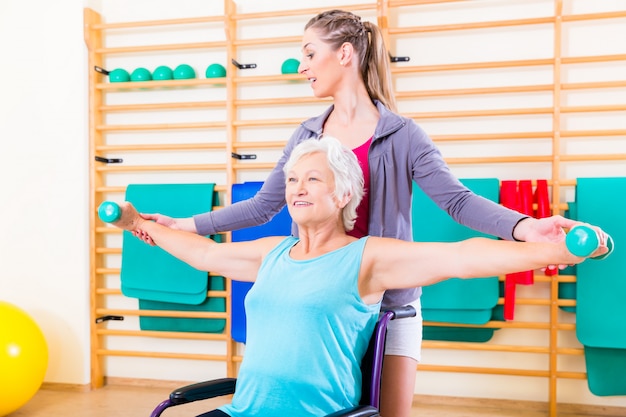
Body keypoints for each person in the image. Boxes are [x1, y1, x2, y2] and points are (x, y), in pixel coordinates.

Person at [132, 10, 580, 417]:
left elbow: (457, 202)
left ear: (345, 54)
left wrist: (526, 228)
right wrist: (186, 225)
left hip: (389, 304)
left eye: (309, 53)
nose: (302, 66)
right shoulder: (306, 135)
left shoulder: (403, 135)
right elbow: (264, 204)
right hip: (317, 301)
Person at [112, 137, 607, 417]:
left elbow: (462, 256)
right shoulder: (273, 253)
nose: (297, 189)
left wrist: (556, 247)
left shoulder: (368, 258)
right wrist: (136, 223)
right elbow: (202, 254)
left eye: (312, 179)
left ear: (344, 193)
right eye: (290, 181)